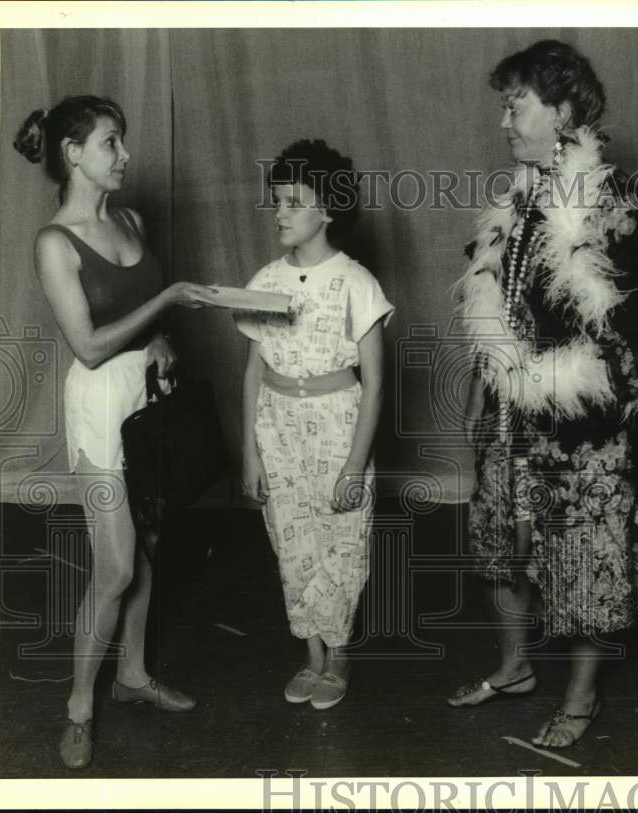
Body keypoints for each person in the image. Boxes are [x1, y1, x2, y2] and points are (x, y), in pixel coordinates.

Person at [449, 40, 638, 748]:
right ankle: (514, 666)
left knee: (587, 559)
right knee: (501, 546)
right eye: (504, 104)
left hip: (583, 425)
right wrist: (485, 383)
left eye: (515, 103)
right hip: (509, 416)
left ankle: (582, 698)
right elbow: (492, 306)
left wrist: (591, 382)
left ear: (561, 111)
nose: (504, 120)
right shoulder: (513, 206)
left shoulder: (612, 202)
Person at [13, 96, 218, 769]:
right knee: (117, 565)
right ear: (74, 155)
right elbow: (91, 345)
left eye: (122, 142)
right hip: (99, 410)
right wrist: (164, 304)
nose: (125, 155)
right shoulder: (54, 242)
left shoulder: (129, 219)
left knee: (151, 544)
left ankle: (132, 675)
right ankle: (78, 706)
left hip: (148, 401)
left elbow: (139, 319)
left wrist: (160, 337)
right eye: (110, 143)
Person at [237, 139, 393, 711]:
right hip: (277, 428)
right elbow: (253, 372)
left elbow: (375, 383)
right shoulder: (264, 281)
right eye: (277, 200)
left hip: (337, 428)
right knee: (291, 539)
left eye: (295, 201)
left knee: (342, 541)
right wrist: (250, 452)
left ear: (328, 210)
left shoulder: (356, 282)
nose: (280, 211)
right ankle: (312, 656)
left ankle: (341, 653)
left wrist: (355, 463)